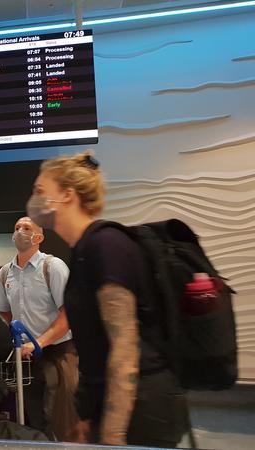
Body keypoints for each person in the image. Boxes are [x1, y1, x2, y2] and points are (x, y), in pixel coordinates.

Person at [26, 150, 188, 447]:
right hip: (115, 405)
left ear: (67, 195)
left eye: (40, 191)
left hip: (142, 409)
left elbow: (125, 351)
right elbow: (95, 344)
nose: (34, 199)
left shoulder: (106, 245)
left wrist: (112, 436)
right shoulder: (84, 250)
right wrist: (89, 417)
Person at [0, 217, 78, 441]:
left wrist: (39, 342)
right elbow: (3, 311)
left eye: (26, 228)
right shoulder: (5, 273)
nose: (20, 231)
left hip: (57, 352)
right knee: (33, 416)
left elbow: (68, 315)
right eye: (16, 228)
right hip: (26, 358)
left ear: (38, 237)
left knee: (60, 418)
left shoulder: (53, 267)